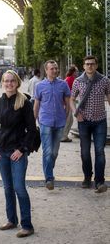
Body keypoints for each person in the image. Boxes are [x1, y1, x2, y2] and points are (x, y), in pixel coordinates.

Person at [0, 70, 37, 238]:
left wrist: (22, 149)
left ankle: (27, 225)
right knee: (7, 187)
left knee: (19, 188)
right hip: (1, 151)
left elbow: (31, 130)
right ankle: (11, 219)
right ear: (2, 83)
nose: (9, 84)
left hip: (18, 152)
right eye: (6, 81)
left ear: (17, 83)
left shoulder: (25, 103)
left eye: (12, 81)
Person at [70, 55, 110, 193]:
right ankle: (87, 177)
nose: (90, 66)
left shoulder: (105, 81)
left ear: (96, 65)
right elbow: (72, 99)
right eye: (87, 64)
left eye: (92, 64)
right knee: (85, 152)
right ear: (83, 66)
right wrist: (76, 113)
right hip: (84, 122)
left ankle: (100, 181)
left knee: (100, 151)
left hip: (100, 121)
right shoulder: (78, 81)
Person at [34, 60, 70, 190]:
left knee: (54, 152)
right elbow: (36, 104)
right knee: (47, 151)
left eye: (56, 68)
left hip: (59, 122)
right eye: (52, 69)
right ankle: (49, 178)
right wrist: (35, 120)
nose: (55, 70)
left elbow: (67, 103)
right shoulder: (39, 86)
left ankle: (48, 168)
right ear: (46, 70)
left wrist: (65, 117)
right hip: (45, 122)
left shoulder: (63, 84)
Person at [61, 65, 79, 142]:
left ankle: (64, 135)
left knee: (69, 119)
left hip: (68, 101)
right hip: (69, 101)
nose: (77, 72)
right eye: (76, 71)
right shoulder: (71, 79)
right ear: (73, 72)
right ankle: (63, 136)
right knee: (69, 119)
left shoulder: (69, 78)